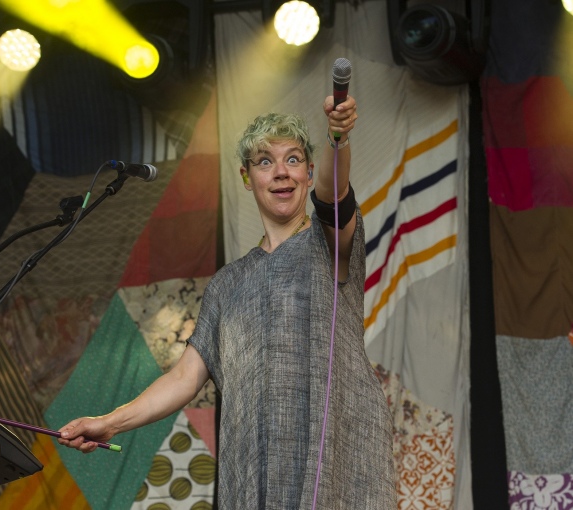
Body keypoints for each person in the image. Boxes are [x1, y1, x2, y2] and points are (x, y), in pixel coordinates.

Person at [58, 95, 396, 509]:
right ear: (245, 176)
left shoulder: (328, 244)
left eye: (293, 160)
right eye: (264, 161)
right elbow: (184, 379)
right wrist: (108, 423)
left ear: (309, 172)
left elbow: (332, 198)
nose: (281, 173)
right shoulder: (227, 284)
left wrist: (337, 139)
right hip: (251, 473)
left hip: (336, 466)